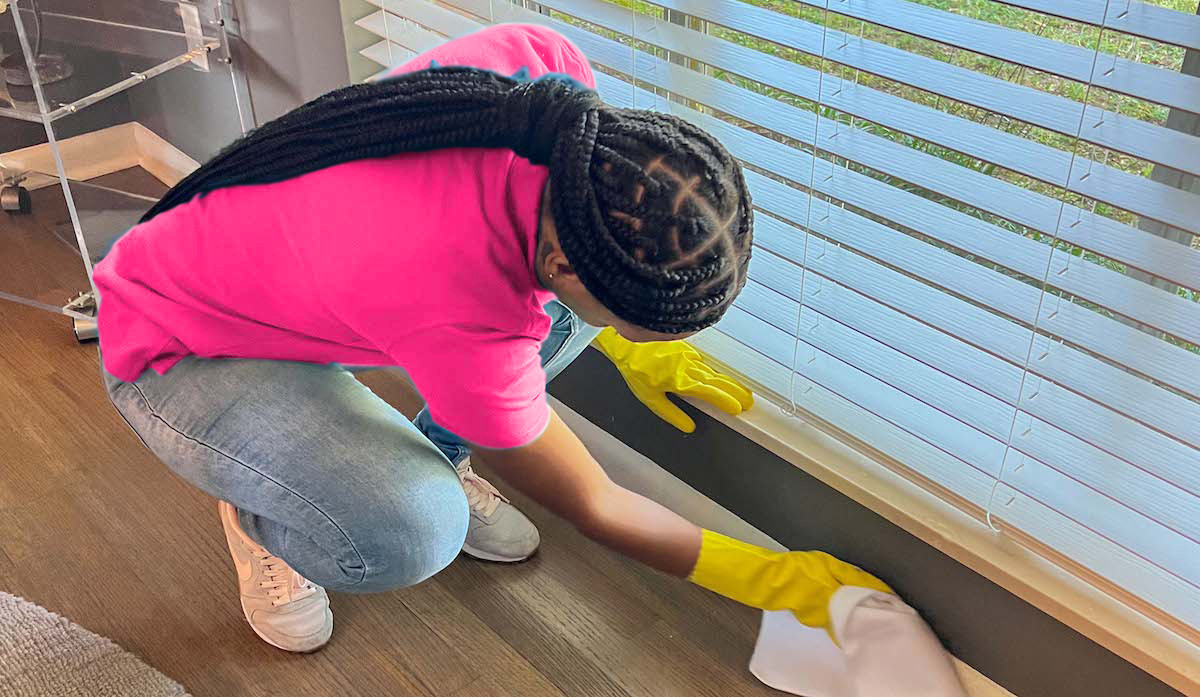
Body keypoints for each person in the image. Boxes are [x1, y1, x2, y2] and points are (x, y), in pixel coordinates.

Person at [96, 24, 889, 653]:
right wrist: (780, 582)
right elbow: (599, 504)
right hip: (178, 346)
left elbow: (570, 285)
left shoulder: (547, 87)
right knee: (411, 527)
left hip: (291, 271)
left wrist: (636, 340)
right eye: (625, 320)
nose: (614, 332)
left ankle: (422, 451)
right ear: (563, 264)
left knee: (545, 332)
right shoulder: (457, 305)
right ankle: (261, 501)